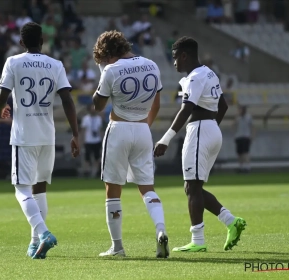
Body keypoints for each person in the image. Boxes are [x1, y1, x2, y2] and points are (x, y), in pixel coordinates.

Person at [0, 22, 80, 259]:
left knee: (21, 189)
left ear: (21, 42)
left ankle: (43, 233)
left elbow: (1, 96)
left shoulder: (13, 62)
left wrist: (2, 107)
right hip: (47, 135)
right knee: (39, 188)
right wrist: (75, 133)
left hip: (24, 136)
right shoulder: (56, 64)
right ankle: (35, 244)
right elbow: (67, 100)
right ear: (42, 40)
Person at [153, 37, 246, 252]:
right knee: (193, 186)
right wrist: (212, 127)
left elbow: (186, 109)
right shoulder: (209, 73)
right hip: (211, 129)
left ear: (184, 56)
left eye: (175, 58)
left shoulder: (195, 77)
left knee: (192, 187)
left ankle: (198, 241)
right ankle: (231, 221)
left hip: (200, 130)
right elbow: (222, 106)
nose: (174, 62)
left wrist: (165, 139)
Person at [92, 30, 168, 258]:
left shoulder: (111, 70)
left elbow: (97, 105)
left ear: (108, 54)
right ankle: (161, 230)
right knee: (147, 187)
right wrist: (144, 125)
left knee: (113, 189)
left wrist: (102, 72)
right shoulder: (152, 65)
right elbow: (157, 104)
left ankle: (117, 247)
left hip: (119, 129)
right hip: (143, 129)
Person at [81, 104, 103, 177]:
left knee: (97, 157)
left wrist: (102, 139)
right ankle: (86, 171)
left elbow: (100, 130)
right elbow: (83, 130)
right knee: (87, 157)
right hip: (88, 141)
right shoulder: (86, 119)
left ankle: (96, 172)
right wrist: (82, 140)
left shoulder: (98, 118)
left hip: (97, 140)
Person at [233, 105, 254, 173]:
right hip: (239, 136)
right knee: (239, 153)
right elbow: (233, 126)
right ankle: (241, 167)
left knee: (245, 153)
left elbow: (252, 127)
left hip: (246, 136)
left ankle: (247, 167)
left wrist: (252, 136)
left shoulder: (248, 117)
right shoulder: (238, 118)